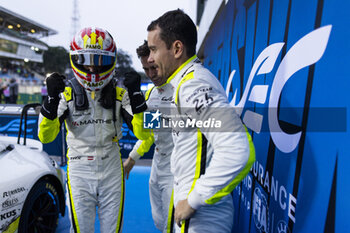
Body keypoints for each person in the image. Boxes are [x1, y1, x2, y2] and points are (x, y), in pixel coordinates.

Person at [133, 10, 255, 232]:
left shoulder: (193, 85)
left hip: (200, 216)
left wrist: (194, 200)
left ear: (177, 49)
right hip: (171, 184)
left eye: (153, 50)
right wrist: (139, 115)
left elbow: (238, 150)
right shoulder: (168, 89)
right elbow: (148, 133)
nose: (150, 60)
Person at [38, 27, 146, 233]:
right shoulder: (65, 93)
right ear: (76, 59)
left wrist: (137, 98)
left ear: (110, 60)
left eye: (99, 61)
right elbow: (45, 135)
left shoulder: (121, 93)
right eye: (86, 61)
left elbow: (146, 134)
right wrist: (50, 101)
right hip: (79, 171)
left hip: (112, 170)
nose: (93, 69)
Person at [123, 40, 175, 232]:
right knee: (160, 222)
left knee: (174, 223)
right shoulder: (152, 93)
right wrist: (132, 158)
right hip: (158, 165)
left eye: (154, 67)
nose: (151, 74)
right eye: (146, 69)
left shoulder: (183, 89)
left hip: (179, 169)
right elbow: (148, 134)